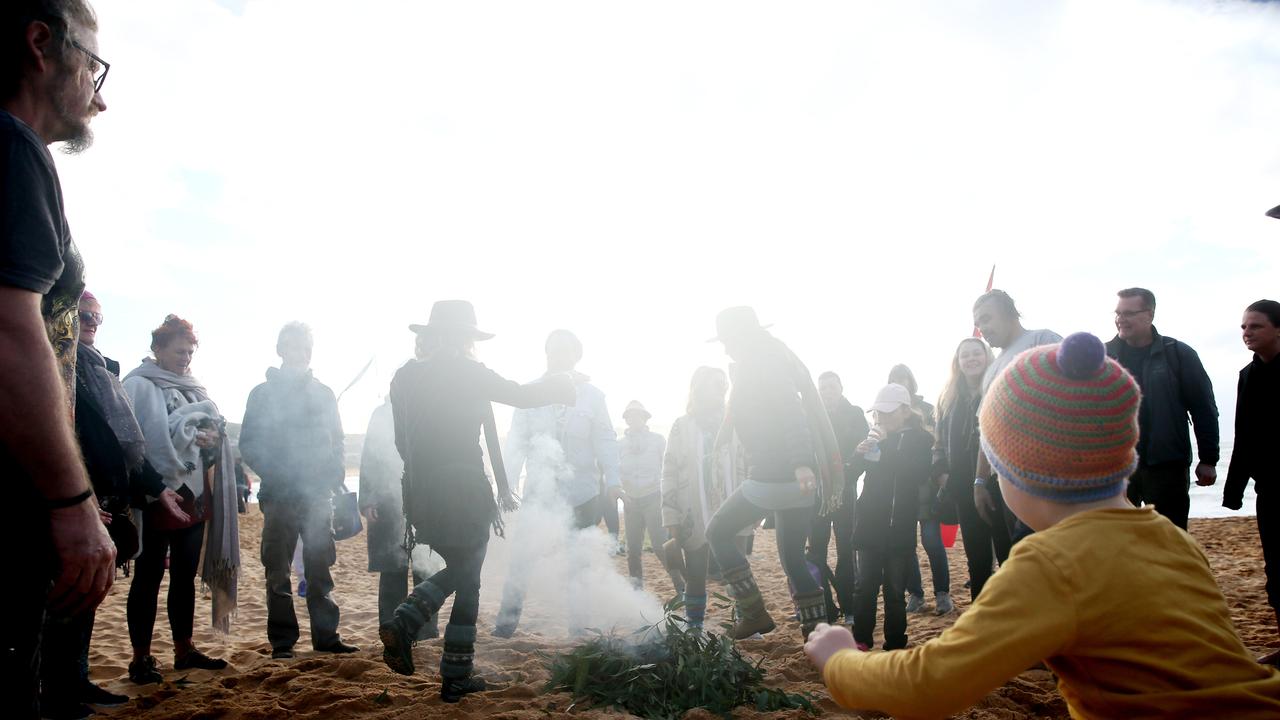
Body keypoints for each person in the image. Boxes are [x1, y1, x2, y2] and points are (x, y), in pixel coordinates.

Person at [806, 332, 1280, 718]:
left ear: (1016, 469)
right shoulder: (1171, 538)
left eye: (994, 464)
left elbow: (928, 686)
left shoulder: (1051, 563)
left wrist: (841, 660)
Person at [0, 3, 114, 715]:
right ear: (42, 44)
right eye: (95, 67)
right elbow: (11, 332)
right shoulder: (12, 146)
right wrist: (72, 504)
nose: (101, 96)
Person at [378, 300, 574, 702]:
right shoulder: (468, 371)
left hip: (421, 493)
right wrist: (561, 384)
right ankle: (422, 637)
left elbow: (401, 442)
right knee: (468, 578)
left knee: (463, 571)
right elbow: (519, 395)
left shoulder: (404, 377)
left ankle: (439, 655)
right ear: (467, 338)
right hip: (465, 490)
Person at [40, 292, 190, 719]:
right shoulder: (56, 362)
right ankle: (56, 694)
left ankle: (78, 680)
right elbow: (60, 438)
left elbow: (125, 443)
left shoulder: (100, 369)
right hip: (72, 501)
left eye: (96, 318)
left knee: (87, 596)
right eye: (83, 315)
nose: (90, 323)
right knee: (65, 597)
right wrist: (75, 499)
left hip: (106, 498)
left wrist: (157, 489)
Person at [703, 307, 844, 640]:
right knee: (793, 559)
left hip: (774, 473)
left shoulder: (762, 361)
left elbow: (791, 411)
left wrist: (800, 463)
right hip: (794, 479)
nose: (726, 348)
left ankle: (753, 613)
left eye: (728, 340)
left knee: (717, 532)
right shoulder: (772, 355)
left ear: (742, 336)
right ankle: (818, 633)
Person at [123, 315, 238, 683]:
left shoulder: (195, 389)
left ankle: (184, 650)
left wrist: (212, 441)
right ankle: (141, 659)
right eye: (178, 351)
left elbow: (214, 435)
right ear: (157, 349)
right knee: (149, 576)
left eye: (190, 352)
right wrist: (156, 487)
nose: (185, 358)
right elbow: (131, 442)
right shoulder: (138, 385)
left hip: (194, 494)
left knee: (184, 576)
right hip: (156, 493)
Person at [239, 322, 357, 659]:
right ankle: (283, 642)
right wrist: (279, 473)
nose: (298, 353)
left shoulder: (324, 393)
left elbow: (338, 440)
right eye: (291, 346)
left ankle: (326, 637)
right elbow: (249, 444)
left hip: (318, 497)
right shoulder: (262, 394)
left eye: (304, 347)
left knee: (320, 567)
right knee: (277, 570)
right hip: (279, 496)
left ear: (310, 351)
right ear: (280, 350)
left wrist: (332, 472)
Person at [494, 329, 620, 637]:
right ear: (546, 354)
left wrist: (614, 480)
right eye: (553, 351)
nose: (558, 356)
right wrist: (505, 485)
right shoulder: (529, 392)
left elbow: (605, 438)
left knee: (581, 560)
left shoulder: (593, 395)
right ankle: (505, 625)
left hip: (583, 493)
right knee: (522, 559)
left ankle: (579, 627)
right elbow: (517, 442)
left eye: (565, 351)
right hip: (538, 492)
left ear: (577, 356)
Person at [1104, 288, 1219, 530]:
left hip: (1167, 467)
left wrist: (1208, 459)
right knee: (1116, 539)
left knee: (1170, 540)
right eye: (1117, 313)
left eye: (1129, 313)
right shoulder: (1103, 356)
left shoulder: (1178, 354)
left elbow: (1204, 408)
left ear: (1149, 315)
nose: (1120, 319)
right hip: (1115, 468)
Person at [847, 384, 934, 650]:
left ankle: (895, 643)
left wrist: (885, 449)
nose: (881, 419)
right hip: (870, 523)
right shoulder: (875, 437)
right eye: (878, 414)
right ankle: (861, 640)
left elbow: (916, 474)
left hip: (901, 526)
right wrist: (859, 454)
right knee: (865, 587)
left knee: (895, 591)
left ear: (906, 411)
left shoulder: (921, 439)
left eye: (887, 413)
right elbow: (851, 476)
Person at [971, 290, 1061, 543]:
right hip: (1010, 483)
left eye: (987, 319)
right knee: (1023, 555)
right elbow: (985, 430)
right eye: (978, 324)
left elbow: (1078, 391)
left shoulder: (1042, 339)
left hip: (1050, 475)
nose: (982, 329)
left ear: (1009, 313)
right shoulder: (992, 371)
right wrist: (979, 481)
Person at [661, 367, 748, 629]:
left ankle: (746, 620)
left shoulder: (736, 421)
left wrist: (753, 505)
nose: (722, 388)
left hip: (734, 506)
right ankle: (694, 625)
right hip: (693, 511)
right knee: (696, 573)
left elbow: (748, 462)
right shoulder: (681, 426)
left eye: (724, 384)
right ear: (698, 388)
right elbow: (669, 471)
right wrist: (670, 516)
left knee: (739, 570)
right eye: (716, 384)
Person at [1224, 299, 1280, 666]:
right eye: (1244, 327)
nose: (1247, 333)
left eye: (1255, 326)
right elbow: (1243, 433)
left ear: (1278, 329)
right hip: (1271, 490)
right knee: (1276, 572)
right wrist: (1233, 490)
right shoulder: (1247, 375)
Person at [934, 337, 1009, 601]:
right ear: (958, 362)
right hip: (963, 490)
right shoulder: (948, 399)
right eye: (965, 355)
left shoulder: (998, 388)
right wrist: (942, 474)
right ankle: (982, 621)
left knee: (1007, 554)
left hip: (999, 486)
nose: (971, 359)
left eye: (976, 353)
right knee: (977, 560)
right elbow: (938, 443)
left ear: (987, 356)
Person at [359, 396, 433, 637]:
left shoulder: (429, 408)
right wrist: (367, 499)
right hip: (387, 500)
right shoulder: (381, 414)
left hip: (424, 498)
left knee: (426, 568)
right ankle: (392, 631)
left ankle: (427, 631)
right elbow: (369, 457)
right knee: (393, 568)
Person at [889, 364, 951, 615]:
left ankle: (942, 594)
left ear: (912, 383)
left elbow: (938, 445)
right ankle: (915, 593)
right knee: (905, 547)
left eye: (904, 380)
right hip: (900, 492)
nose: (901, 385)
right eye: (895, 381)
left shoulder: (927, 410)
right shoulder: (888, 415)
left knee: (932, 542)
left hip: (927, 488)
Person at [807, 371, 868, 625]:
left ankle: (850, 606)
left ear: (841, 388)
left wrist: (847, 476)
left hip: (845, 491)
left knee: (846, 550)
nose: (827, 392)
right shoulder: (811, 416)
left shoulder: (854, 413)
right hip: (817, 495)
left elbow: (865, 449)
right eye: (823, 388)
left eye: (831, 387)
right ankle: (826, 608)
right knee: (816, 553)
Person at [618, 400, 668, 590]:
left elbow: (667, 468)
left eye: (637, 415)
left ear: (645, 417)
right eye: (630, 415)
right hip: (631, 500)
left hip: (654, 497)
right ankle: (636, 589)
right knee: (633, 550)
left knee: (659, 545)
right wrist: (621, 493)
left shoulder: (658, 440)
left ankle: (681, 581)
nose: (634, 418)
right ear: (626, 419)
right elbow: (614, 472)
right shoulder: (619, 444)